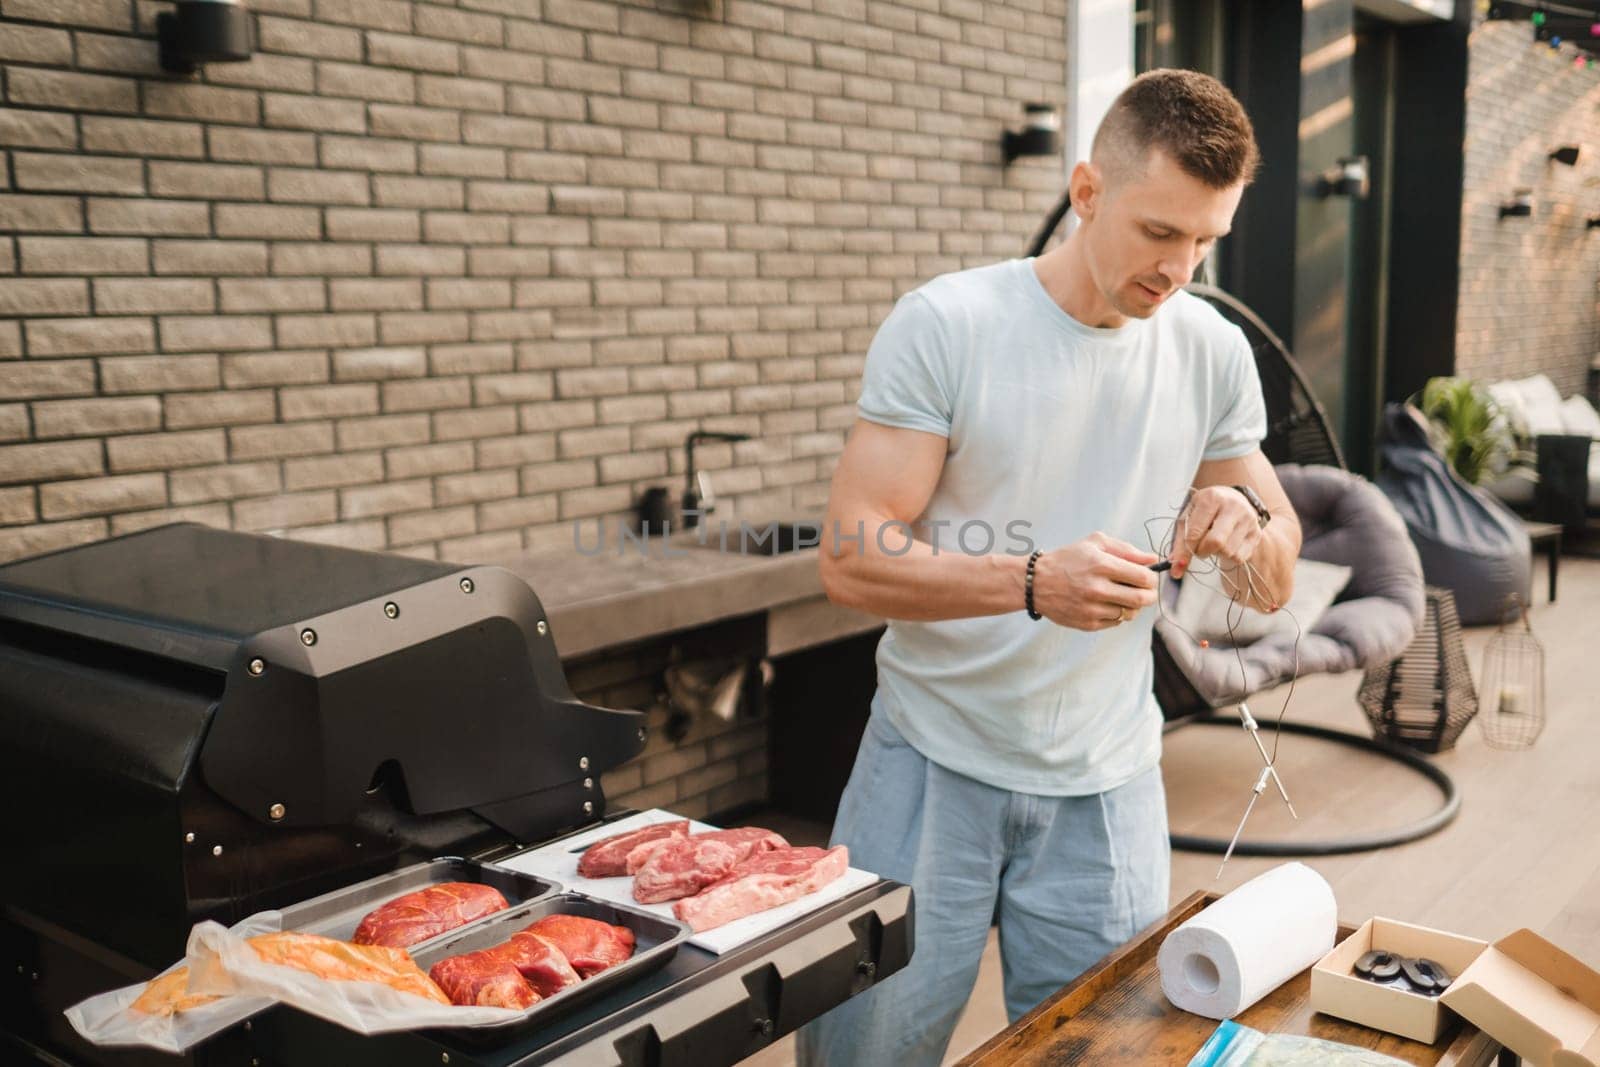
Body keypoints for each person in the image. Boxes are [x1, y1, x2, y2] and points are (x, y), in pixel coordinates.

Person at [796, 68, 1304, 1066]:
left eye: (1205, 241)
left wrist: (1248, 532)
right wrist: (1031, 581)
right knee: (866, 1056)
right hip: (928, 763)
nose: (1181, 268)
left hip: (1109, 782)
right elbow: (850, 557)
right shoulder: (949, 324)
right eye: (1159, 232)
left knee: (1103, 1056)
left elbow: (1275, 577)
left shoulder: (1210, 348)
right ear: (1084, 192)